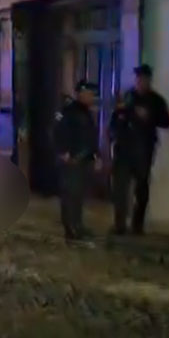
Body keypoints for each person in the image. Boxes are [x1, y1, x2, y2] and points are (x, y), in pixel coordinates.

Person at [109, 64, 169, 235]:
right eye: (138, 78)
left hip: (143, 151)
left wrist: (149, 116)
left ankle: (137, 224)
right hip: (123, 150)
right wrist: (114, 136)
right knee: (120, 188)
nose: (140, 81)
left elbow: (166, 122)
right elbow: (115, 120)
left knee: (141, 190)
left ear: (149, 80)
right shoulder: (127, 97)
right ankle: (119, 224)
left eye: (143, 78)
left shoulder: (156, 100)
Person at [53, 80, 100, 243]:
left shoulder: (86, 112)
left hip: (84, 159)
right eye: (89, 94)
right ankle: (70, 228)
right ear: (81, 93)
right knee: (70, 194)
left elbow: (90, 137)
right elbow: (58, 131)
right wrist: (63, 152)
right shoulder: (68, 111)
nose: (92, 98)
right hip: (71, 159)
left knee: (79, 195)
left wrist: (95, 155)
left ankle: (77, 225)